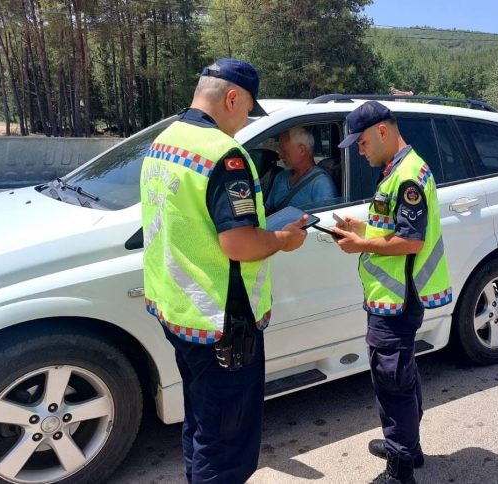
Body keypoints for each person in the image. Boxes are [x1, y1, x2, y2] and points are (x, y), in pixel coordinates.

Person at [140, 58, 308, 484]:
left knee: (199, 422)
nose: (245, 121)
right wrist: (284, 240)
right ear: (232, 98)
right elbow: (240, 243)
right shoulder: (226, 156)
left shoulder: (163, 142)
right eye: (248, 109)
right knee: (227, 444)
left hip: (177, 311)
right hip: (223, 324)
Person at [332, 101, 452, 484]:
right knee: (401, 373)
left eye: (362, 142)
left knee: (392, 379)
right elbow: (393, 226)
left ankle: (400, 469)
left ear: (382, 131)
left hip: (399, 298)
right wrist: (361, 228)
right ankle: (408, 447)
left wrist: (360, 245)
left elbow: (410, 242)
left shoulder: (408, 176)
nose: (360, 150)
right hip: (392, 295)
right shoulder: (398, 170)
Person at [265, 126, 338, 212]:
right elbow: (267, 211)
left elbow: (325, 220)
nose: (280, 155)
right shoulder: (281, 176)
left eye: (284, 151)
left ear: (302, 150)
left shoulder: (321, 184)